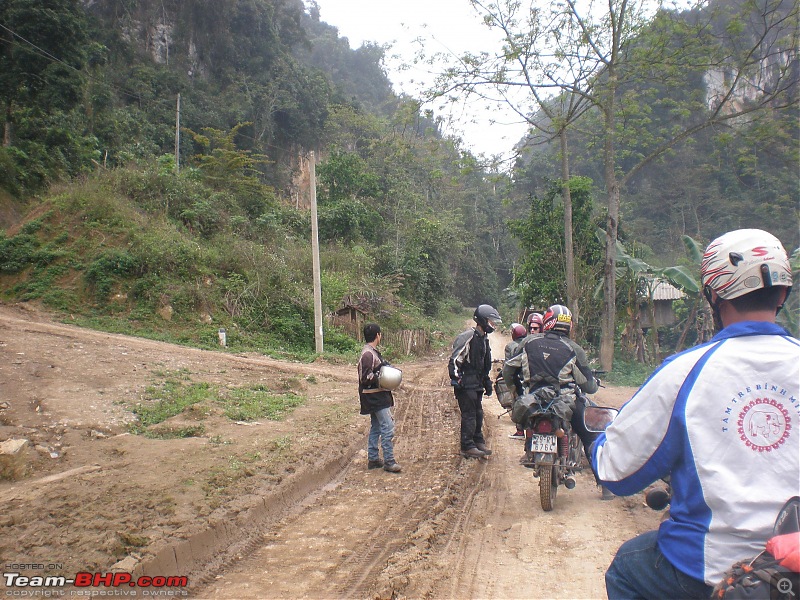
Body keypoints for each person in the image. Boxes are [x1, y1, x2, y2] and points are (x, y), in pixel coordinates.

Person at [591, 228, 798, 599]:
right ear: (783, 292)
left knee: (627, 567)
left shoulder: (685, 372)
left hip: (712, 568)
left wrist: (600, 441)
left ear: (713, 295)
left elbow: (615, 472)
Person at [503, 304, 602, 476]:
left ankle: (529, 450)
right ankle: (604, 482)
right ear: (569, 325)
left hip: (532, 400)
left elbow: (508, 370)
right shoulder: (574, 349)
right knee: (590, 435)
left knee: (524, 419)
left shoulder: (528, 343)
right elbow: (588, 386)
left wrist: (518, 391)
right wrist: (594, 383)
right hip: (564, 402)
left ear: (547, 322)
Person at [449, 304, 502, 458]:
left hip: (476, 384)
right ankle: (467, 445)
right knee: (469, 414)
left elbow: (483, 364)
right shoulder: (468, 337)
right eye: (490, 321)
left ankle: (478, 441)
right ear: (482, 320)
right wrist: (457, 380)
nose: (492, 325)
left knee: (478, 413)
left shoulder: (483, 338)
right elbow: (455, 361)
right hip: (466, 383)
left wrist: (486, 380)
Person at [357, 323, 401, 473]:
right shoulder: (368, 354)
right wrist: (380, 376)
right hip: (375, 396)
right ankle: (389, 461)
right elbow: (365, 377)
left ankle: (374, 459)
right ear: (378, 335)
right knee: (387, 428)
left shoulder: (371, 352)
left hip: (374, 396)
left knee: (376, 427)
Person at [505, 323, 529, 440]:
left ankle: (520, 431)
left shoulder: (510, 346)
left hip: (517, 378)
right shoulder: (529, 343)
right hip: (529, 378)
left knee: (516, 401)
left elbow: (508, 364)